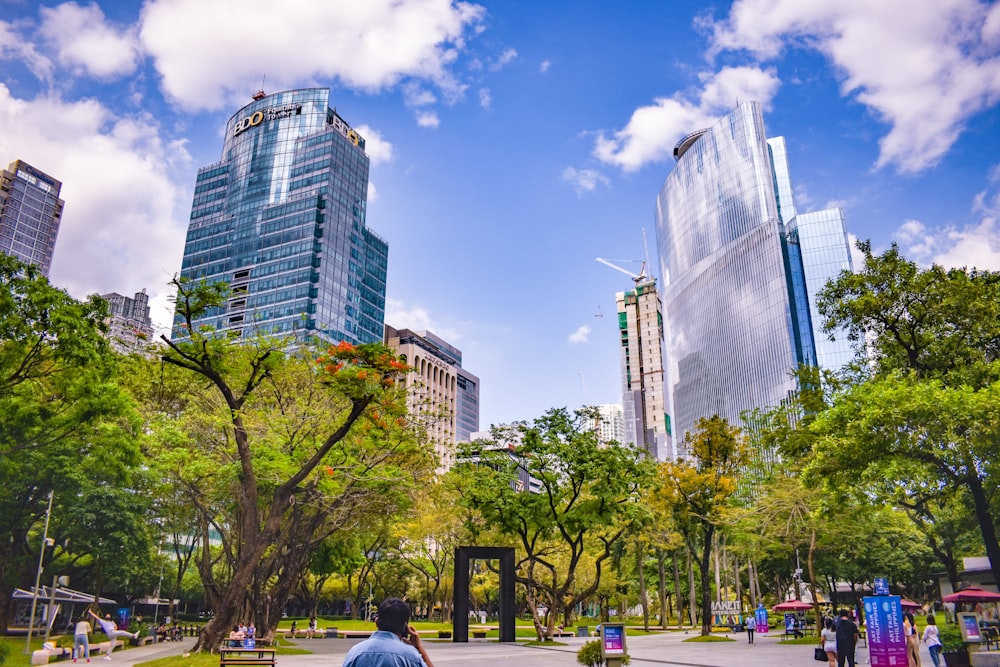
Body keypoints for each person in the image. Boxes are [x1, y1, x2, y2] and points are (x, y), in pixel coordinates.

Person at [342, 597, 433, 667]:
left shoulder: (355, 652)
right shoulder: (410, 656)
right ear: (405, 627)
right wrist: (419, 648)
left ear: (377, 622)